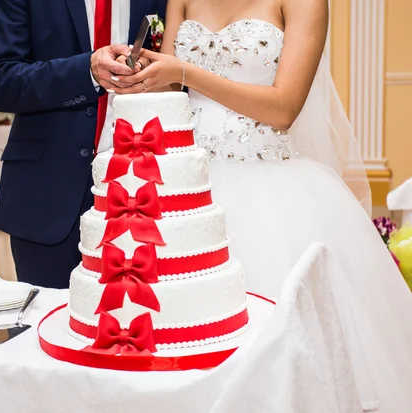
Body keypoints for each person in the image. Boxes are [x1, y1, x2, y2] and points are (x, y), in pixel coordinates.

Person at [110, 0, 412, 410]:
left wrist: (184, 72)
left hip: (269, 187)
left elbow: (283, 108)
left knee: (268, 338)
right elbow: (170, 91)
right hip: (183, 183)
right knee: (182, 324)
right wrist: (134, 71)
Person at [0, 0, 166, 288]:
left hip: (143, 189)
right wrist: (87, 71)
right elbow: (1, 82)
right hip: (49, 193)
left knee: (139, 324)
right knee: (48, 321)